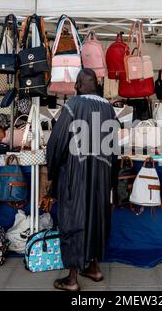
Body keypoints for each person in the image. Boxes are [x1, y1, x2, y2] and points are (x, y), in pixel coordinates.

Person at [46, 69, 118, 291]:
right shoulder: (109, 109)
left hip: (75, 174)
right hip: (102, 175)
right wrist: (111, 181)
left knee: (74, 220)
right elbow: (114, 149)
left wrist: (52, 172)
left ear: (77, 85)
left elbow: (57, 143)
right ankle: (94, 269)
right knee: (97, 218)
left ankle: (72, 279)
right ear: (96, 85)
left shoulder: (73, 106)